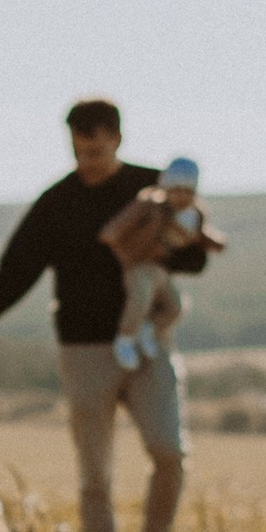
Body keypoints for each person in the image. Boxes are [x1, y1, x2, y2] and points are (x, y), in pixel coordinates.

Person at [0, 98, 216, 532]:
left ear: (118, 140)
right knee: (94, 470)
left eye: (96, 151)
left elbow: (196, 256)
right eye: (79, 152)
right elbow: (17, 269)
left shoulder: (151, 189)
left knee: (169, 450)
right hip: (83, 347)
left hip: (149, 342)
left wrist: (154, 249)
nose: (86, 162)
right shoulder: (58, 201)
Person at [102, 154, 218, 371]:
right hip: (140, 265)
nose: (182, 197)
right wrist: (127, 256)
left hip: (161, 269)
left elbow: (200, 235)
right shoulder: (149, 204)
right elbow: (111, 233)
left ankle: (148, 331)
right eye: (177, 190)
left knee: (175, 307)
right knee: (139, 300)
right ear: (166, 187)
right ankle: (125, 339)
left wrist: (214, 243)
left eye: (188, 191)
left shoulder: (194, 214)